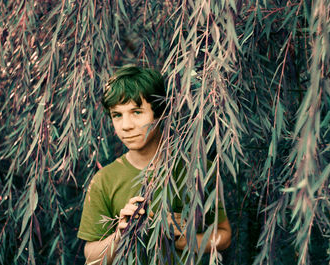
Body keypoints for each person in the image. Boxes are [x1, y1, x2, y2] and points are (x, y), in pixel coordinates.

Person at [77, 66, 231, 264]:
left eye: (137, 112)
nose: (126, 125)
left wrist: (185, 239)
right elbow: (91, 255)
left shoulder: (198, 169)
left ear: (161, 112)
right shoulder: (104, 180)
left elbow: (224, 236)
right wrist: (119, 235)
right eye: (117, 115)